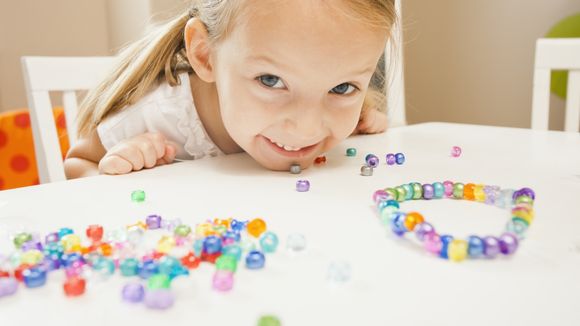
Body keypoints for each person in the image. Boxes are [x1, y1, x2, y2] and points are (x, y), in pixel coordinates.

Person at [64, 0, 397, 178]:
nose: (307, 128)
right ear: (205, 56)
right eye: (270, 81)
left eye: (341, 87)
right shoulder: (156, 116)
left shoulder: (317, 109)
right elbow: (76, 162)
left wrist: (362, 115)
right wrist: (114, 170)